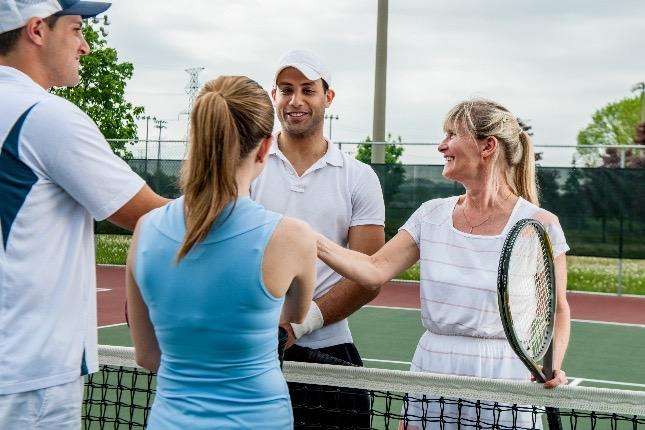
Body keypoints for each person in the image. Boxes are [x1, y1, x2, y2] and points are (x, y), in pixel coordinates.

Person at [316, 99, 571, 429]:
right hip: (433, 368)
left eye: (452, 134)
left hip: (507, 376)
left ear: (488, 146)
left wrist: (552, 365)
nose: (441, 146)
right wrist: (310, 240)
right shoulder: (430, 214)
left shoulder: (540, 224)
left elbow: (557, 310)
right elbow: (374, 269)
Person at [0, 1, 167, 428]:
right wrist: (267, 227)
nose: (85, 45)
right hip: (29, 380)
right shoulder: (44, 116)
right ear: (37, 30)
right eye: (75, 29)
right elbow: (155, 217)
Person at [126, 75, 317, 429]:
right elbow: (295, 313)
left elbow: (148, 357)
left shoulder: (145, 230)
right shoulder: (294, 238)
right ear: (265, 148)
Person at [250, 49, 385, 428]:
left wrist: (299, 324)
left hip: (330, 354)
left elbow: (369, 275)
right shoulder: (245, 166)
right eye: (286, 90)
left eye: (308, 90)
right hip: (252, 353)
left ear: (328, 97)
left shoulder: (358, 177)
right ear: (273, 96)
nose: (296, 100)